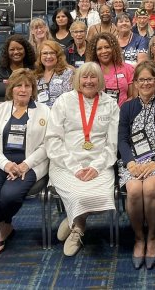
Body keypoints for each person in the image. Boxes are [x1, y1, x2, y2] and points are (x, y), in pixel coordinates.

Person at [45, 62, 119, 256]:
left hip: (100, 163)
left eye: (93, 77)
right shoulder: (64, 101)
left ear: (100, 80)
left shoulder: (110, 103)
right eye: (84, 77)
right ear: (78, 80)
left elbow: (113, 143)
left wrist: (96, 166)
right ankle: (78, 226)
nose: (88, 81)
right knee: (79, 195)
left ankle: (73, 217)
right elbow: (52, 140)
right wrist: (74, 167)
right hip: (65, 163)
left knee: (101, 196)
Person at [0, 69, 49, 256]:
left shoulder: (45, 111)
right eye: (18, 85)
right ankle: (3, 227)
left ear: (33, 89)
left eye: (27, 86)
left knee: (9, 196)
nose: (23, 90)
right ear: (11, 88)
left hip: (28, 165)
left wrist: (26, 164)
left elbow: (48, 145)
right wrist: (6, 164)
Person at [117, 61, 155, 270]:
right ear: (135, 83)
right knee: (133, 191)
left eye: (150, 79)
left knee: (150, 189)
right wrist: (130, 162)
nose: (146, 83)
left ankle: (152, 237)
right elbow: (122, 139)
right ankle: (139, 238)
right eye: (141, 79)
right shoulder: (127, 107)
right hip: (131, 160)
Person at [0, 35, 36, 108]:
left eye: (20, 49)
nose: (16, 52)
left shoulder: (33, 70)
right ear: (7, 52)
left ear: (25, 50)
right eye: (12, 49)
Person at [87, 32, 134, 107]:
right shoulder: (90, 71)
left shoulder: (128, 68)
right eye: (99, 49)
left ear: (113, 48)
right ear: (95, 52)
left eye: (107, 47)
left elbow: (132, 96)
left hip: (122, 113)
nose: (104, 51)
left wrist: (121, 111)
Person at [35, 41, 74, 108]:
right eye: (45, 53)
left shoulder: (67, 73)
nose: (48, 56)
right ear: (40, 56)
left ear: (58, 56)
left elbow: (68, 98)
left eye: (52, 53)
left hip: (60, 113)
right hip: (40, 115)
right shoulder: (36, 76)